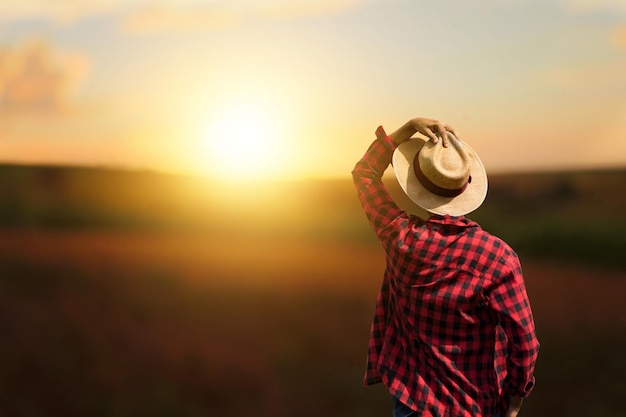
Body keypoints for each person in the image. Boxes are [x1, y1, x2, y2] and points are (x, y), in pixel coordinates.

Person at [352, 117, 539, 417]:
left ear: (417, 185)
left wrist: (406, 130)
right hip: (475, 406)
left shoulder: (399, 237)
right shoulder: (499, 258)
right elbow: (525, 342)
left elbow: (364, 173)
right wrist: (515, 399)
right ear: (466, 187)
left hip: (412, 401)